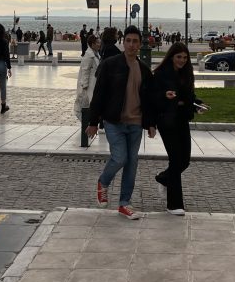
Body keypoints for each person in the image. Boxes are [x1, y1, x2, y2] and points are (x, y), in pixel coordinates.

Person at [85, 26, 156, 220]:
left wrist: (150, 124)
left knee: (132, 163)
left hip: (135, 123)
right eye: (128, 41)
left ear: (140, 45)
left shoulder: (144, 70)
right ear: (123, 42)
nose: (132, 45)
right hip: (114, 122)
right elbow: (99, 95)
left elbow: (148, 100)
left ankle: (124, 203)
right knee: (120, 158)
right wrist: (93, 122)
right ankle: (103, 181)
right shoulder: (110, 65)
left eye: (135, 41)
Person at [151, 42, 200, 216]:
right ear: (172, 56)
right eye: (179, 57)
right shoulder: (161, 74)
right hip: (166, 121)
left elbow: (189, 96)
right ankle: (174, 205)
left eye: (185, 58)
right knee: (175, 159)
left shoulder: (186, 74)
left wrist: (197, 104)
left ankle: (164, 178)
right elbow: (152, 97)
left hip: (182, 119)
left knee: (184, 160)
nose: (182, 60)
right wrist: (165, 96)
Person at [75, 34, 102, 118]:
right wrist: (85, 87)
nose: (99, 44)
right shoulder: (89, 56)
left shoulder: (96, 54)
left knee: (94, 104)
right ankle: (89, 123)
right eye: (97, 42)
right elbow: (85, 71)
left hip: (94, 84)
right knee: (89, 105)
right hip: (90, 86)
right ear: (92, 44)